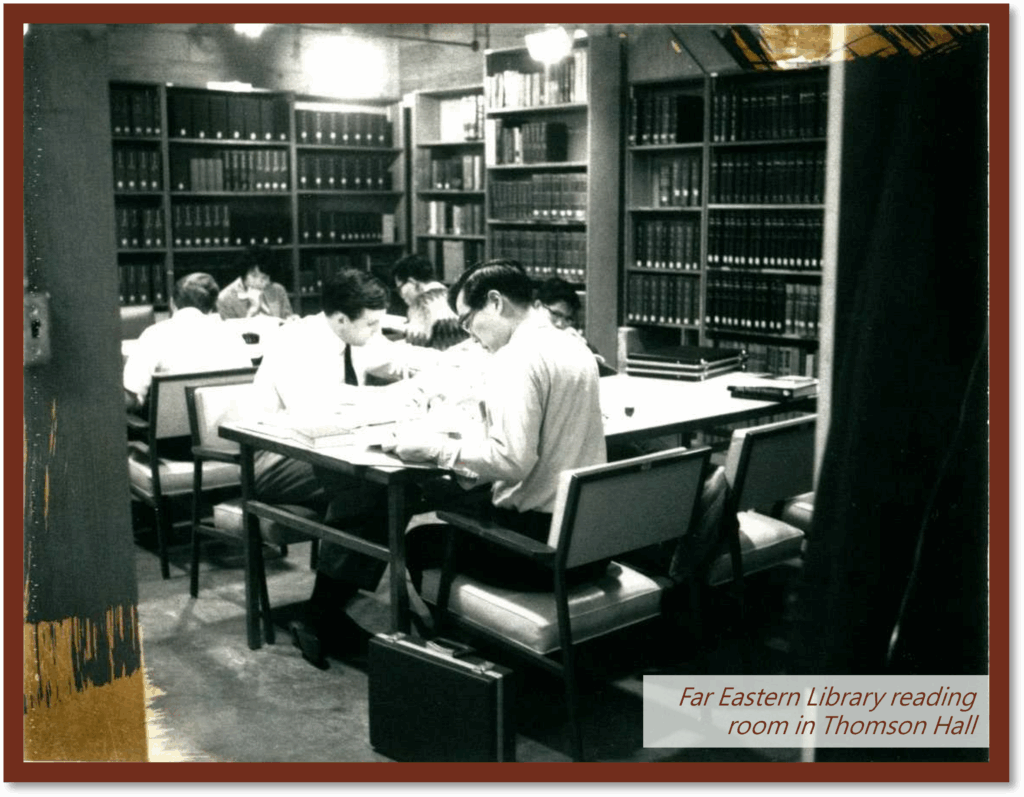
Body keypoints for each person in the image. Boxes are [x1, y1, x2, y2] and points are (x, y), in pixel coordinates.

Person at [250, 268, 438, 669]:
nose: (376, 331)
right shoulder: (298, 346)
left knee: (397, 489)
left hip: (334, 451)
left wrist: (446, 365)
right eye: (370, 323)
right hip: (278, 455)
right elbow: (317, 415)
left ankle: (328, 608)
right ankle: (323, 614)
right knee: (370, 490)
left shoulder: (357, 334)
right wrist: (392, 400)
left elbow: (395, 358)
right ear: (340, 318)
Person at [385, 260, 608, 593]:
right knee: (464, 503)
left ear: (495, 302)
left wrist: (434, 449)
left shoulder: (515, 357)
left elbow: (512, 461)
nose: (469, 333)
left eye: (468, 320)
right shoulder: (574, 346)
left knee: (417, 540)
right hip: (588, 542)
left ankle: (461, 636)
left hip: (539, 550)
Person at [123, 272, 253, 412]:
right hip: (220, 428)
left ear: (172, 303)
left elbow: (130, 399)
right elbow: (247, 388)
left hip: (169, 431)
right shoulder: (232, 335)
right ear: (212, 306)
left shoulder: (154, 335)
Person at [533, 276, 616, 376]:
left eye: (567, 319)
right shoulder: (521, 339)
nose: (560, 324)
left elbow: (604, 374)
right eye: (556, 314)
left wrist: (582, 348)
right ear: (538, 306)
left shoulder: (571, 339)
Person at [391, 253, 467, 350]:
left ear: (412, 282)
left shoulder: (421, 304)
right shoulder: (455, 296)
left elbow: (415, 344)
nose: (401, 295)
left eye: (399, 288)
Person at [216, 244, 295, 321]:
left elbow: (288, 323)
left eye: (266, 278)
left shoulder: (278, 290)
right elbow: (232, 333)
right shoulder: (225, 299)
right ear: (247, 274)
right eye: (255, 276)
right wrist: (252, 310)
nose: (264, 283)